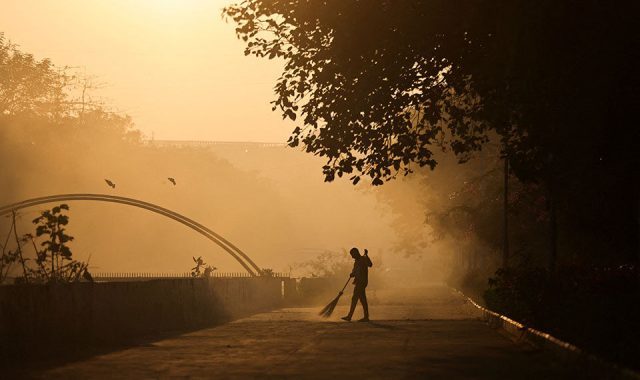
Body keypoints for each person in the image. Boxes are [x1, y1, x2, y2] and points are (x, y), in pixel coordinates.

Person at [341, 247, 373, 322]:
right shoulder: (357, 262)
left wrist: (366, 256)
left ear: (356, 253)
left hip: (362, 282)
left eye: (352, 255)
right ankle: (366, 317)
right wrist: (352, 274)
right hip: (359, 282)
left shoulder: (363, 259)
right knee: (362, 300)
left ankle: (350, 316)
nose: (352, 256)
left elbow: (370, 265)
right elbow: (355, 271)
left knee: (354, 298)